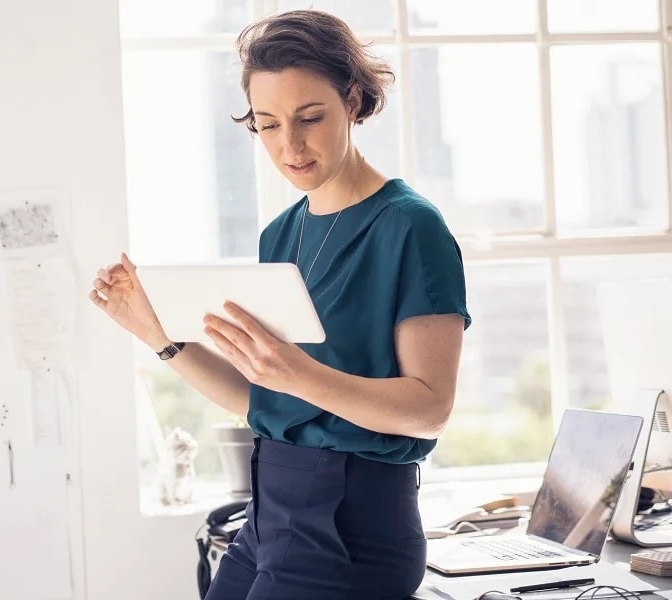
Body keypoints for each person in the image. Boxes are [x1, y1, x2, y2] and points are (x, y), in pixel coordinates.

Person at [89, 9, 470, 600]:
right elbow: (261, 400)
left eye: (309, 118)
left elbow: (429, 408)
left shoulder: (410, 227)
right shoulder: (281, 234)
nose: (288, 146)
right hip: (272, 514)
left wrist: (300, 373)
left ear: (352, 99)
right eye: (267, 125)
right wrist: (156, 334)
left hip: (354, 526)